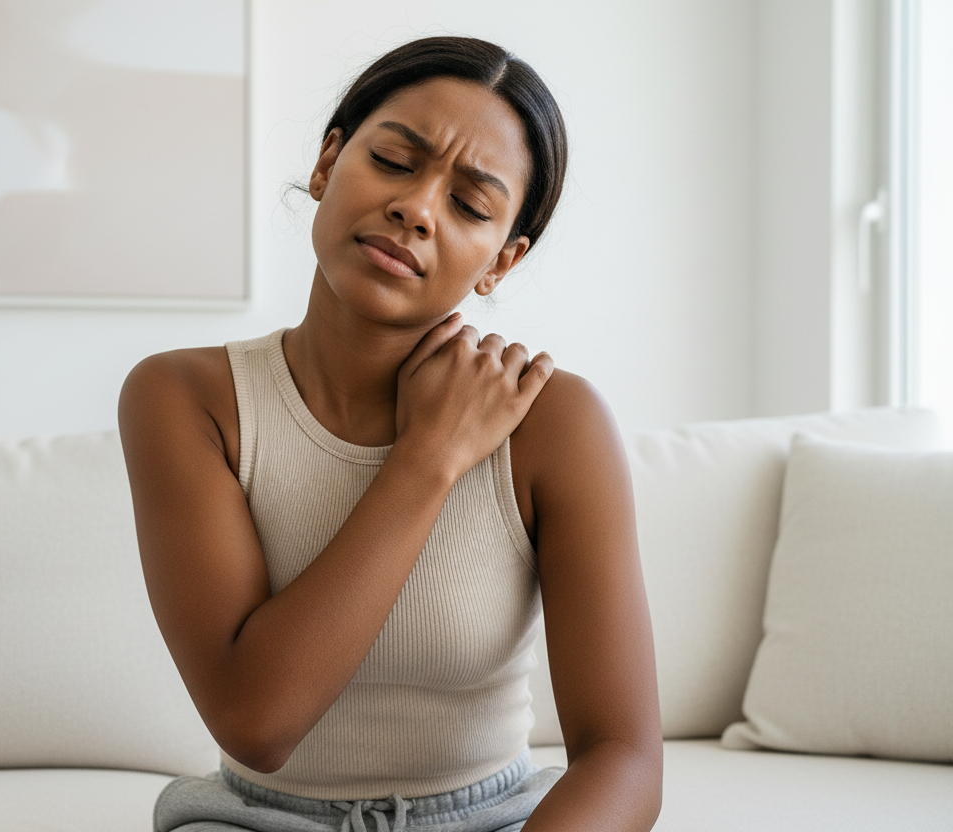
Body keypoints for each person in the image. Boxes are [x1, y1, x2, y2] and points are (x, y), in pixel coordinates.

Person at [118, 35, 661, 832]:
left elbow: (623, 755)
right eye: (394, 161)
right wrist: (427, 458)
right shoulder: (185, 398)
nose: (418, 209)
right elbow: (256, 723)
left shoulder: (554, 421)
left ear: (501, 262)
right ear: (327, 163)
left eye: (469, 205)